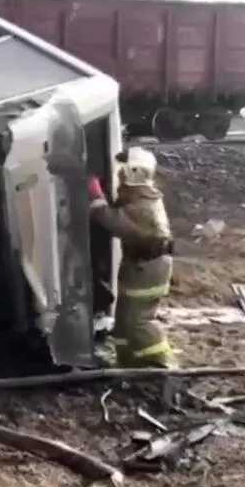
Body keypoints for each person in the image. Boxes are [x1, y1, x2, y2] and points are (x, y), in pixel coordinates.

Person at [88, 147, 176, 369]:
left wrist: (97, 199)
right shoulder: (140, 196)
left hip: (147, 270)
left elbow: (114, 222)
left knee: (139, 321)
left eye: (122, 171)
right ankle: (127, 360)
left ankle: (162, 362)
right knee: (125, 318)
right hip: (140, 267)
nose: (118, 175)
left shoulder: (143, 205)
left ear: (133, 173)